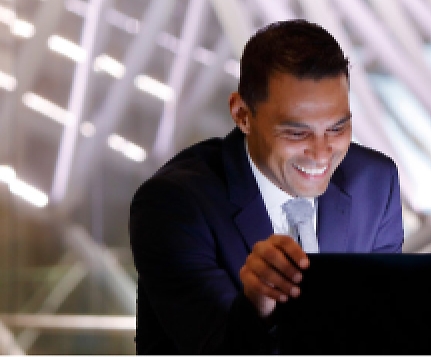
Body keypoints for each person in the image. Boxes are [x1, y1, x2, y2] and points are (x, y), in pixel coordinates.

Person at [129, 20, 404, 354]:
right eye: (297, 133)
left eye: (337, 128)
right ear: (242, 114)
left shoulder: (374, 183)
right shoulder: (174, 206)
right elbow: (213, 348)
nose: (321, 153)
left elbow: (381, 331)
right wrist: (258, 308)